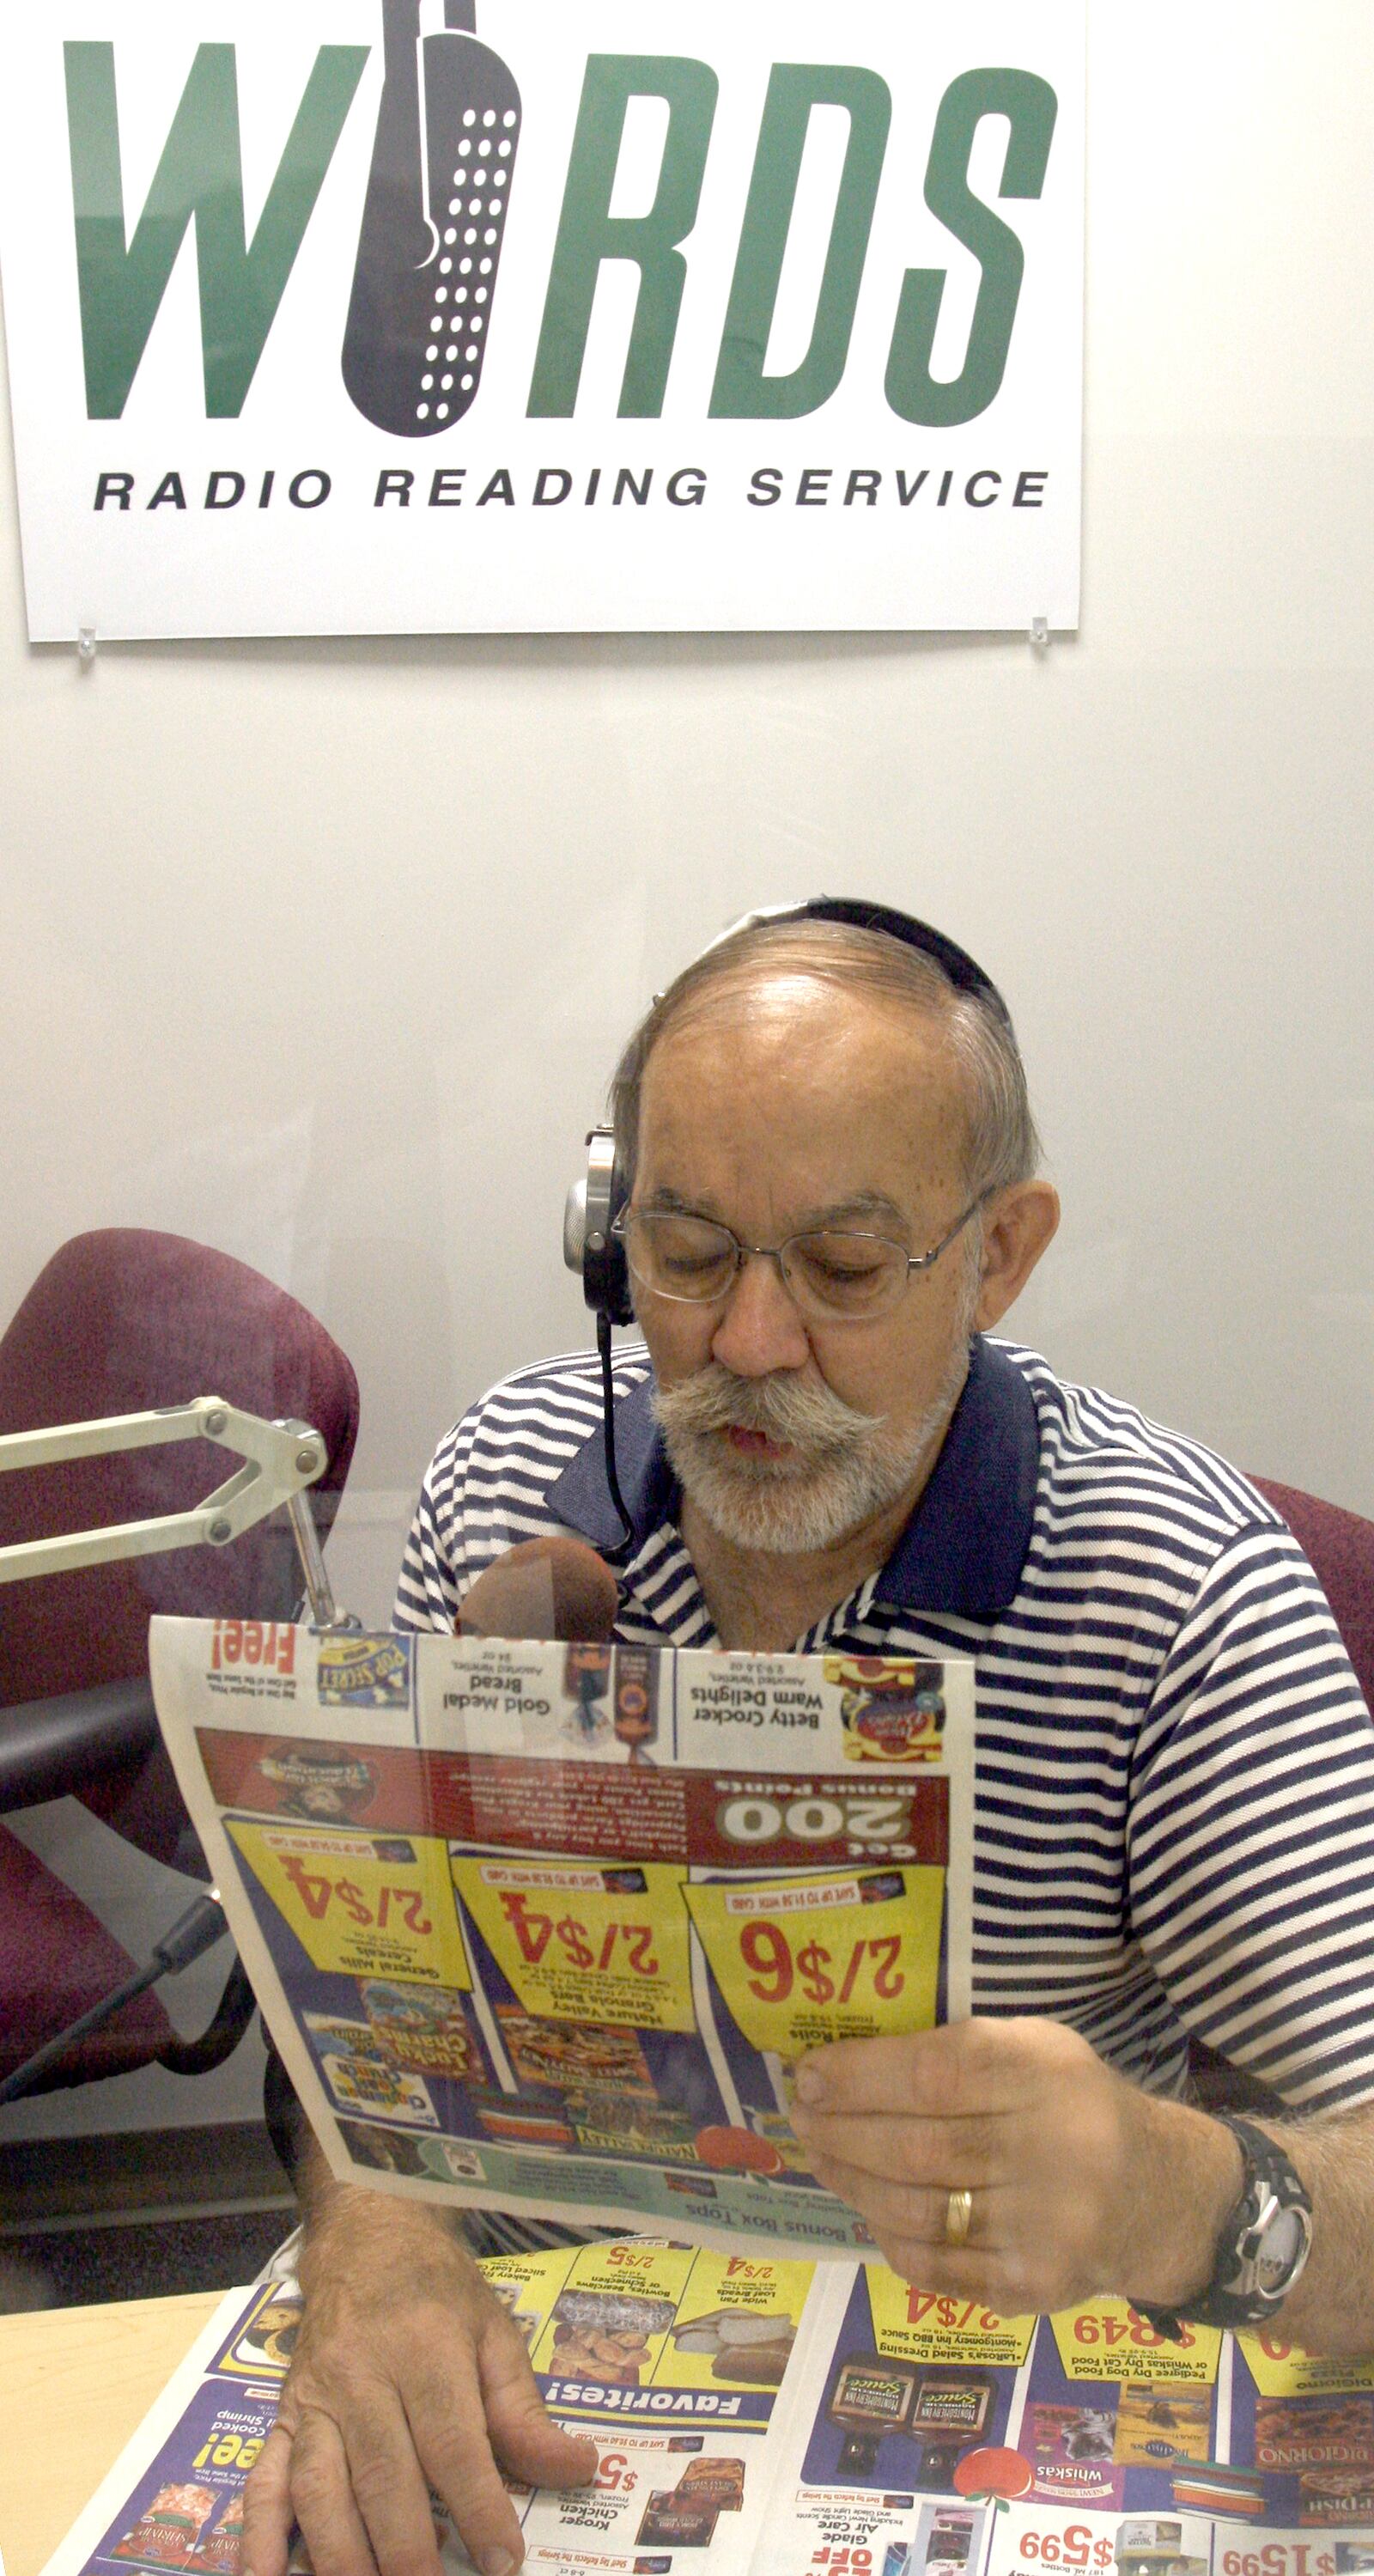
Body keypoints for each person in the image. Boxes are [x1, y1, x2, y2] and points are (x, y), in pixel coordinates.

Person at [243, 900, 1374, 2576]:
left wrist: (1176, 2190)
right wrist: (383, 2232)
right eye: (687, 1257)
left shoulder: (1176, 1591)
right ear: (602, 1233)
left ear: (994, 1255)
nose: (749, 1348)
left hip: (979, 2408)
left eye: (843, 1270)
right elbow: (361, 2026)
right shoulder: (498, 1481)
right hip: (538, 2379)